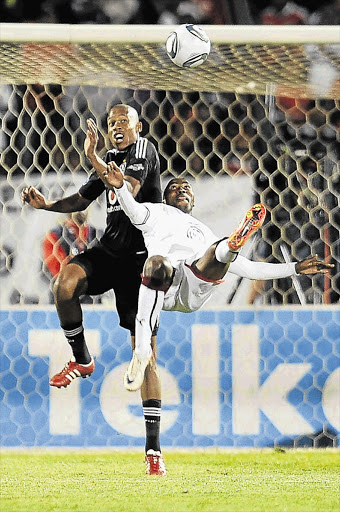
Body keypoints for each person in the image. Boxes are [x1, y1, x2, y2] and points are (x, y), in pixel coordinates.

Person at [98, 164, 334, 393]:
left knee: (217, 252)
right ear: (164, 198)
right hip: (163, 286)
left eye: (186, 188)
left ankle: (231, 245)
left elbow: (250, 269)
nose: (181, 190)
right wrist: (120, 189)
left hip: (193, 285)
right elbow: (133, 210)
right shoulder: (155, 213)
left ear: (194, 201)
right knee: (157, 264)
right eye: (174, 188)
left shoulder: (203, 232)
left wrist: (295, 268)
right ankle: (141, 353)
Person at [21, 104, 166, 475]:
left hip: (140, 262)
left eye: (123, 121)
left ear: (138, 126)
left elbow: (126, 187)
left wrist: (93, 157)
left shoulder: (144, 151)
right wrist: (47, 205)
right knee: (63, 282)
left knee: (144, 353)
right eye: (111, 122)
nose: (117, 127)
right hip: (110, 252)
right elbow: (83, 198)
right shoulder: (110, 159)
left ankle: (154, 451)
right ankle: (83, 359)